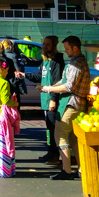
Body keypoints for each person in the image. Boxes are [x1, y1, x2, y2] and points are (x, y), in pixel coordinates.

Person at [41, 35, 90, 181]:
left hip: (72, 103)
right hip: (75, 104)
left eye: (67, 49)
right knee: (73, 138)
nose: (66, 51)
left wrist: (49, 89)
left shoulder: (77, 63)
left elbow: (69, 86)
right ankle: (81, 169)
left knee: (60, 134)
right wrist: (49, 87)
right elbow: (63, 81)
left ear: (75, 48)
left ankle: (66, 170)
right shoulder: (76, 61)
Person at [0, 57, 20, 178]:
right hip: (2, 116)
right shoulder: (4, 83)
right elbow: (5, 100)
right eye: (6, 70)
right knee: (4, 142)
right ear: (2, 69)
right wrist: (15, 103)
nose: (7, 72)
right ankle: (4, 169)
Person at [39, 35, 64, 165]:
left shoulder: (57, 61)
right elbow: (40, 77)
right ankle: (50, 152)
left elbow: (58, 81)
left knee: (54, 128)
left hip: (51, 99)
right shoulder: (44, 61)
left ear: (54, 46)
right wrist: (24, 75)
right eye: (44, 44)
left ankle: (55, 155)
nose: (44, 46)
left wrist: (53, 99)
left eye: (47, 44)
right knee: (49, 128)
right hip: (44, 99)